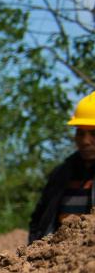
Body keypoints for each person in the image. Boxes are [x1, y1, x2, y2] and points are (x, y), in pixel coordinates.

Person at [29, 91, 95, 242]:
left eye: (93, 134)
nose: (85, 141)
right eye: (80, 133)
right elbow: (39, 222)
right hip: (60, 261)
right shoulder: (61, 175)